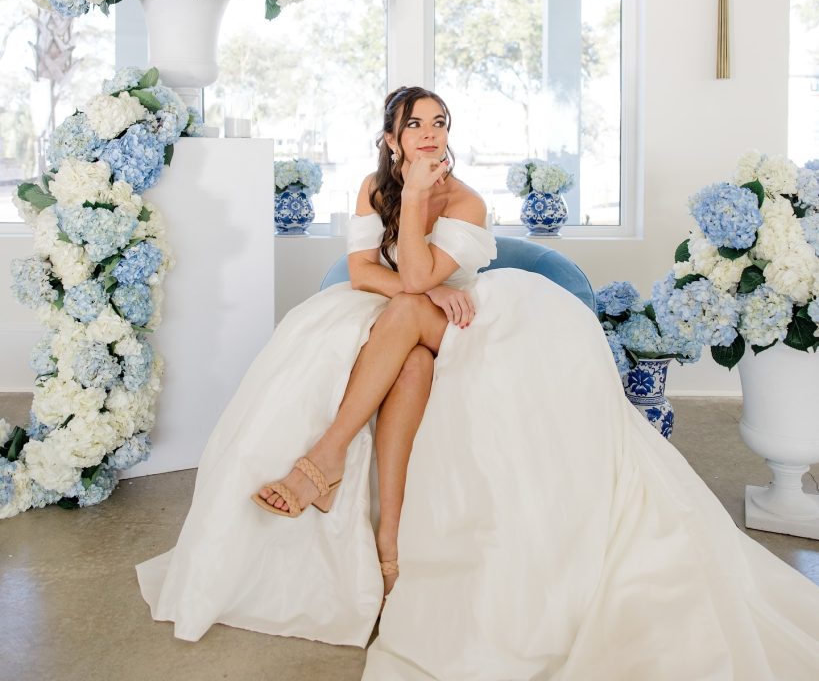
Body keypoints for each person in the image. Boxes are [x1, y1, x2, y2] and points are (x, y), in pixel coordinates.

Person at [138, 86, 819, 680]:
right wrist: (423, 284)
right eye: (415, 124)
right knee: (404, 356)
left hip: (496, 318)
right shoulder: (373, 189)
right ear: (390, 137)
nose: (430, 134)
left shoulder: (463, 199)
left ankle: (324, 459)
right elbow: (360, 271)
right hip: (432, 315)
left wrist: (420, 249)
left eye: (439, 123)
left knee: (406, 311)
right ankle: (389, 545)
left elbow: (407, 277)